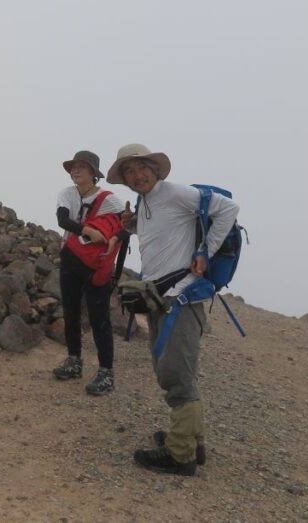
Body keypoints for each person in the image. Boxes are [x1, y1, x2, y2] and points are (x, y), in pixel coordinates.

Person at [107, 143, 239, 476]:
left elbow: (228, 209)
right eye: (129, 171)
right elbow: (163, 229)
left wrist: (204, 252)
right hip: (159, 296)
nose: (137, 175)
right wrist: (133, 223)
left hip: (181, 297)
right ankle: (192, 441)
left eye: (141, 167)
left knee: (176, 376)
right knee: (172, 369)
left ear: (154, 168)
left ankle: (181, 456)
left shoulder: (175, 193)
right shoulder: (147, 200)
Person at [52, 150, 125, 395]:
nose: (75, 171)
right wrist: (89, 231)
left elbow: (124, 228)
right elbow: (63, 220)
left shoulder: (111, 200)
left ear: (93, 172)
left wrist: (112, 239)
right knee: (70, 312)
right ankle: (74, 360)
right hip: (71, 259)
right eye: (73, 167)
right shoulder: (67, 193)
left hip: (97, 263)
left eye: (81, 167)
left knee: (99, 317)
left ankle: (106, 372)